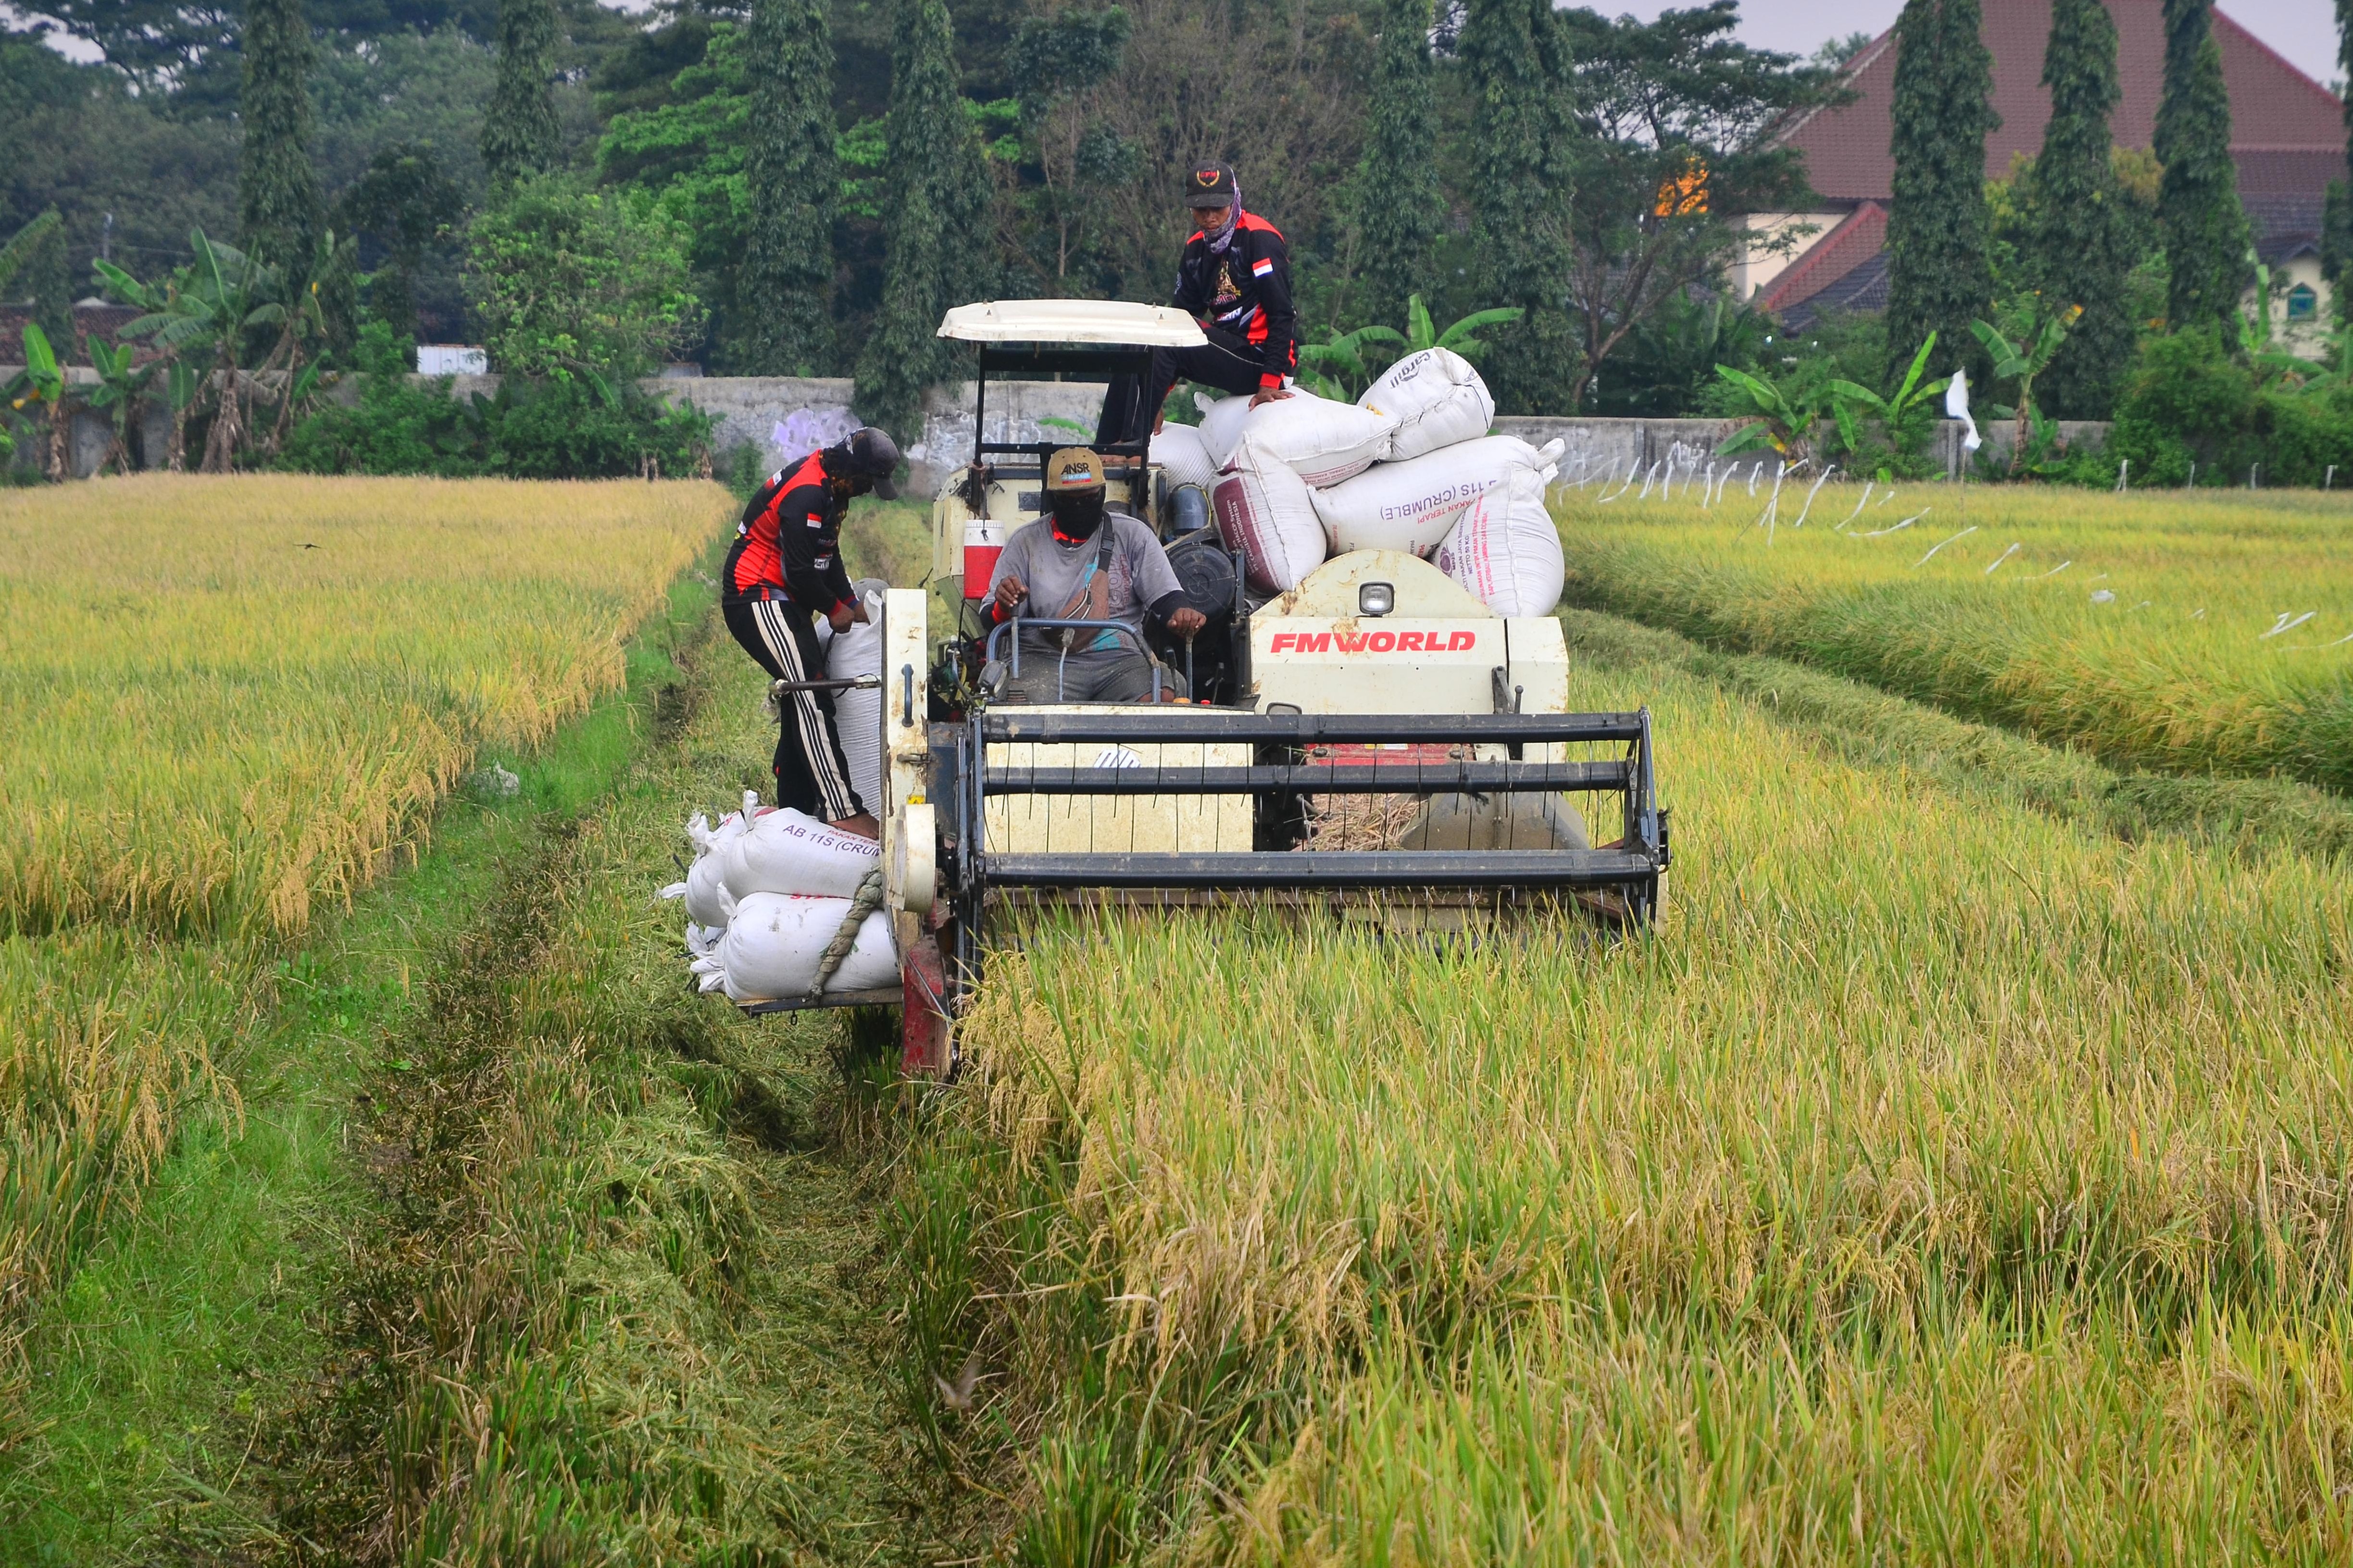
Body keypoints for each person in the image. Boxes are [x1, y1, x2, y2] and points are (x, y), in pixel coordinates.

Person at [722, 427, 901, 837]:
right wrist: (834, 609)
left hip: (783, 599)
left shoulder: (832, 489)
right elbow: (801, 571)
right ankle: (842, 810)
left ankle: (796, 808)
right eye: (868, 482)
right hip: (757, 596)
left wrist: (852, 602)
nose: (867, 491)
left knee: (799, 697)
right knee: (810, 692)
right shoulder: (807, 493)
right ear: (852, 470)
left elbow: (828, 555)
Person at [1093, 162, 1296, 447]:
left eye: (1218, 208)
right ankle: (1105, 446)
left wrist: (1270, 381)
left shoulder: (1259, 239)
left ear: (1234, 200)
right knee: (1142, 337)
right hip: (1225, 348)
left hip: (1261, 358)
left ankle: (1133, 447)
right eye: (1201, 209)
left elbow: (1283, 314)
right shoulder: (1195, 250)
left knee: (1167, 341)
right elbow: (1178, 320)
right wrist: (1156, 396)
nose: (1210, 217)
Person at [987, 447, 1207, 703]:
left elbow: (1167, 599)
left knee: (1166, 693)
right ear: (1052, 498)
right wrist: (1005, 605)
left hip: (1121, 661)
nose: (1079, 507)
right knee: (1020, 703)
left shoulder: (1133, 534)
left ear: (1102, 493)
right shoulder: (1025, 542)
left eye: (1088, 498)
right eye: (1069, 500)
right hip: (1042, 660)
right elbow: (991, 621)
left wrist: (1181, 614)